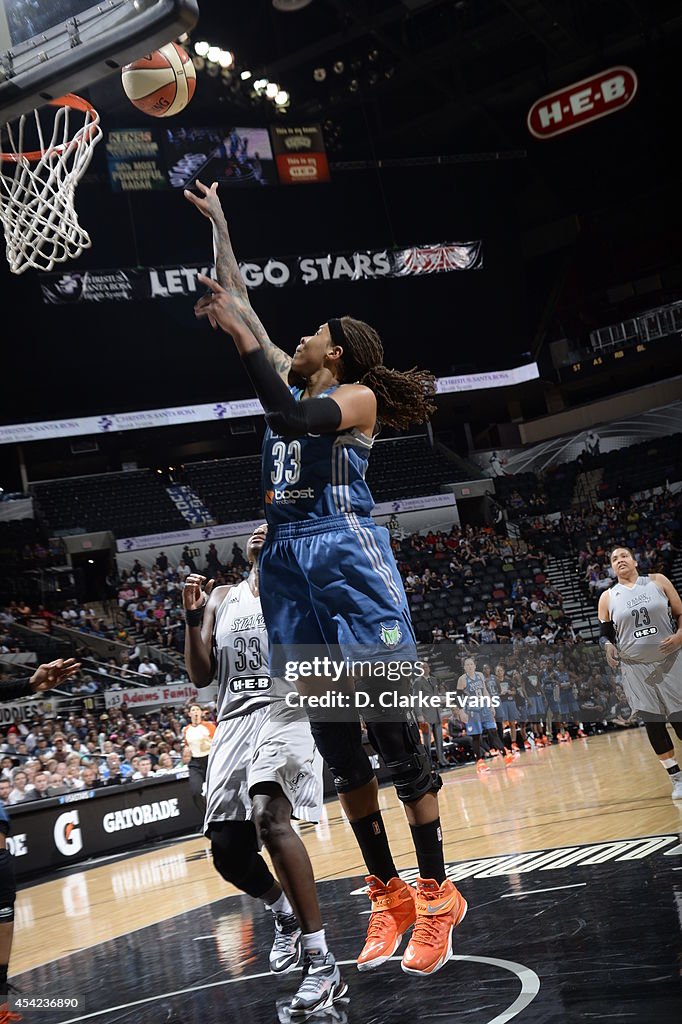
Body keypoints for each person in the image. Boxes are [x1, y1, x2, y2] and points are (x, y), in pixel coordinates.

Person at [186, 180, 467, 978]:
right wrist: (221, 225)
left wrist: (242, 335)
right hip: (286, 566)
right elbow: (235, 293)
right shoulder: (296, 370)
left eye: (307, 333)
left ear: (334, 351)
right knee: (342, 751)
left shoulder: (353, 398)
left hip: (345, 561)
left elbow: (290, 420)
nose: (295, 338)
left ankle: (439, 890)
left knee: (394, 744)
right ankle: (386, 893)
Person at [184, 525, 346, 1016]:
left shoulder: (300, 585)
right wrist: (192, 618)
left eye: (269, 528)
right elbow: (199, 674)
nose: (259, 530)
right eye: (254, 530)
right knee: (228, 854)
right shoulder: (223, 596)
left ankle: (321, 962)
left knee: (269, 817)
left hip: (287, 708)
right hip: (232, 721)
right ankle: (284, 915)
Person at [598, 545, 682, 800]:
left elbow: (680, 613)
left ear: (635, 560)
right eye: (614, 559)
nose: (619, 560)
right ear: (612, 568)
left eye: (623, 556)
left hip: (671, 661)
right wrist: (608, 646)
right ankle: (676, 779)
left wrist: (680, 636)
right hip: (636, 669)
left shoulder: (658, 581)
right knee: (654, 724)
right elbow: (605, 635)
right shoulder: (608, 597)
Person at [456, 657, 511, 771]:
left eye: (471, 664)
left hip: (484, 707)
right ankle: (479, 762)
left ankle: (505, 755)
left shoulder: (480, 675)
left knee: (493, 731)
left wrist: (491, 705)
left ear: (475, 666)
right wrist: (461, 711)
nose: (470, 666)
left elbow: (485, 690)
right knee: (476, 736)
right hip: (472, 710)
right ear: (464, 667)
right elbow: (458, 697)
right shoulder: (462, 679)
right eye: (467, 665)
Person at [181, 704, 216, 815]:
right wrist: (185, 753)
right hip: (195, 762)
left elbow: (217, 743)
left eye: (197, 710)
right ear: (189, 714)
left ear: (201, 713)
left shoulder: (209, 726)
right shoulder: (186, 729)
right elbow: (187, 746)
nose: (195, 712)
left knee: (215, 791)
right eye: (193, 710)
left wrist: (208, 742)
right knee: (195, 792)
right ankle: (206, 817)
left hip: (210, 761)